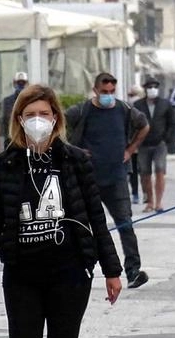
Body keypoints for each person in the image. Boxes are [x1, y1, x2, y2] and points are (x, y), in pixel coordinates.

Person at [0, 84, 122, 338]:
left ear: (55, 118)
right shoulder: (5, 165)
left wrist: (112, 271)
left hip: (69, 272)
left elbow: (95, 218)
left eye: (44, 113)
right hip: (22, 275)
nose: (38, 120)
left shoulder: (75, 161)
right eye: (30, 115)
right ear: (19, 120)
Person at [66, 72, 151, 289]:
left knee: (125, 224)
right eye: (104, 92)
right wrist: (72, 150)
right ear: (95, 90)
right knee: (81, 226)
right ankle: (77, 270)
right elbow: (58, 122)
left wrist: (130, 149)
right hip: (88, 178)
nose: (108, 96)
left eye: (112, 92)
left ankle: (133, 270)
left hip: (117, 178)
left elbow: (144, 126)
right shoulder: (83, 110)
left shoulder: (124, 109)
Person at [133, 77, 175, 212]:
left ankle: (159, 202)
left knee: (159, 171)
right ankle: (150, 202)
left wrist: (167, 139)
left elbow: (172, 123)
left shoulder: (165, 104)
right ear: (145, 89)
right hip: (143, 144)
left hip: (160, 143)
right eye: (149, 87)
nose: (152, 89)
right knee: (145, 174)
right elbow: (132, 123)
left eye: (154, 87)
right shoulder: (138, 105)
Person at [0, 72, 29, 151]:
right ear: (14, 84)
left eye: (23, 83)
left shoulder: (33, 101)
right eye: (18, 83)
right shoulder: (7, 102)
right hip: (11, 142)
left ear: (27, 84)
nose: (21, 86)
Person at [126, 85, 144, 204]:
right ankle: (136, 193)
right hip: (132, 146)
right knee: (136, 172)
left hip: (136, 145)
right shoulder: (127, 109)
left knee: (135, 172)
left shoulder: (134, 109)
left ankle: (136, 193)